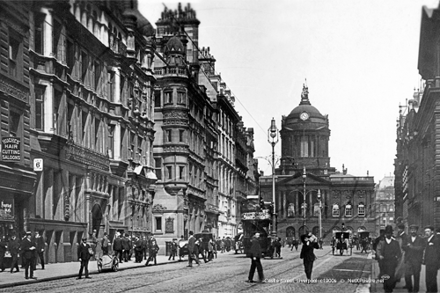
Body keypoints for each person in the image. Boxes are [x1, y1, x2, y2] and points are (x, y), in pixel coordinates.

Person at [376, 225, 402, 293]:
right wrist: (380, 256)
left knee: (391, 275)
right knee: (384, 275)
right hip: (384, 262)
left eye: (390, 233)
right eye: (387, 233)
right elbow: (378, 250)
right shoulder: (382, 242)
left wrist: (397, 257)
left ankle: (390, 289)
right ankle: (386, 288)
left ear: (391, 234)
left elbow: (399, 252)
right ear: (385, 234)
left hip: (392, 262)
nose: (388, 234)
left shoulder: (395, 243)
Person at [401, 224, 424, 293]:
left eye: (414, 230)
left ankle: (416, 289)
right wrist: (407, 247)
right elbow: (403, 246)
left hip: (417, 260)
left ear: (417, 231)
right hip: (408, 259)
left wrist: (412, 247)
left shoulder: (420, 239)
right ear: (410, 230)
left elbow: (421, 248)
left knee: (416, 275)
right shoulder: (406, 238)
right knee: (407, 275)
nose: (413, 231)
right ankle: (409, 289)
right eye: (411, 230)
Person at [423, 225, 440, 293]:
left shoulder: (436, 240)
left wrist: (438, 263)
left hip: (434, 263)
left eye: (428, 231)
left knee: (432, 278)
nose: (426, 233)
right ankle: (429, 290)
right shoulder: (427, 239)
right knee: (428, 278)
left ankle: (433, 291)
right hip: (428, 262)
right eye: (425, 231)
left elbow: (438, 252)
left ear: (432, 232)